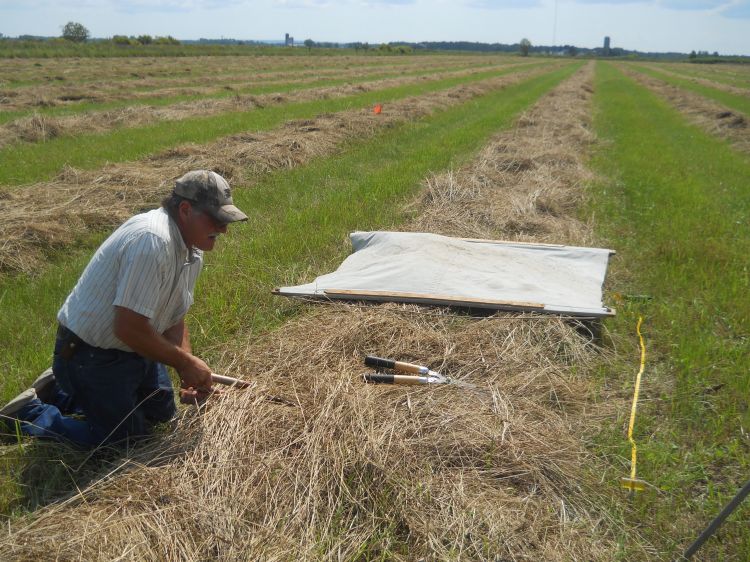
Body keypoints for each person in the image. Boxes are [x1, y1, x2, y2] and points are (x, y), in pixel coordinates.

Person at [0, 170, 247, 448]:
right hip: (91, 355)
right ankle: (28, 412)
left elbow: (174, 319)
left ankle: (63, 392)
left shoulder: (192, 250)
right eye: (216, 220)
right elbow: (128, 327)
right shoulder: (152, 241)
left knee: (160, 415)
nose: (224, 229)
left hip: (134, 349)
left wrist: (185, 370)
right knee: (122, 443)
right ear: (186, 209)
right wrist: (183, 362)